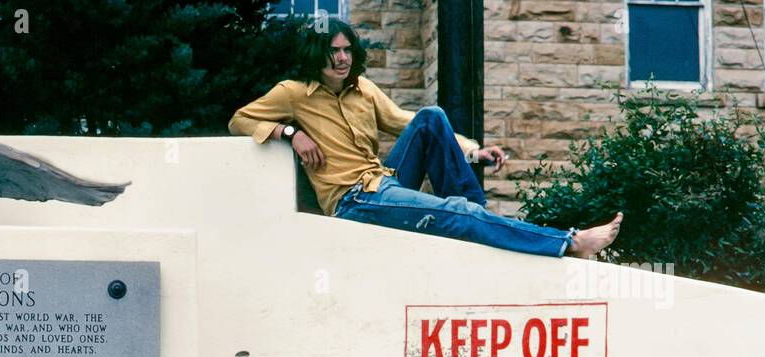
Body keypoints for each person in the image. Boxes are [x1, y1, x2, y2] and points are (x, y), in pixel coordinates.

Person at [229, 19, 622, 259]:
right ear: (316, 54)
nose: (343, 59)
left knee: (430, 117)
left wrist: (472, 150)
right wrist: (291, 132)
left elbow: (405, 122)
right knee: (461, 213)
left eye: (348, 50)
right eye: (334, 51)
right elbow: (240, 120)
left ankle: (471, 216)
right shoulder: (293, 93)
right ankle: (569, 242)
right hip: (354, 199)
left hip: (384, 180)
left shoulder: (362, 89)